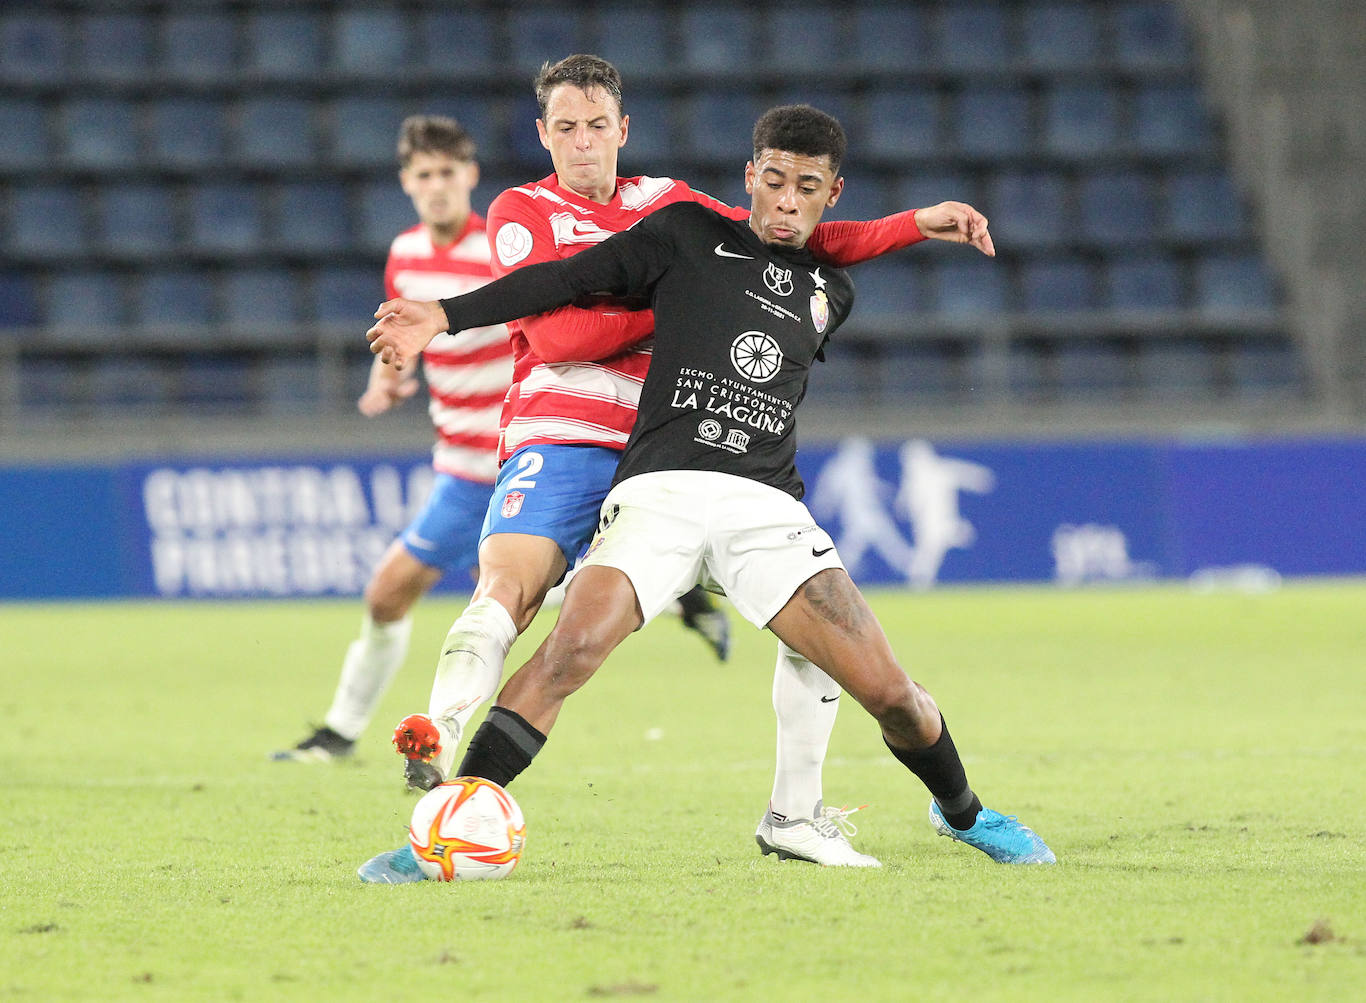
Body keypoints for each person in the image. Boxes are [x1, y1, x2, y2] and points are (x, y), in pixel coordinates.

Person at [363, 103, 1055, 878]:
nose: (787, 200)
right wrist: (445, 316)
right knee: (570, 649)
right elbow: (564, 277)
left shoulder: (832, 289)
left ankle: (962, 812)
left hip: (762, 502)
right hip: (657, 489)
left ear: (832, 193)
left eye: (808, 187)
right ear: (750, 178)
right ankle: (450, 824)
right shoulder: (684, 232)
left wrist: (911, 224)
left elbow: (828, 249)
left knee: (891, 693)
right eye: (774, 180)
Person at [269, 113, 724, 765]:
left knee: (528, 590)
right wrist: (388, 374)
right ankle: (342, 730)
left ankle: (677, 595)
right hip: (460, 467)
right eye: (424, 175)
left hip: (529, 450)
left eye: (448, 173)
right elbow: (403, 325)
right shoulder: (405, 254)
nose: (437, 187)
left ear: (471, 176)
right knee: (390, 593)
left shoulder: (508, 245)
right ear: (406, 182)